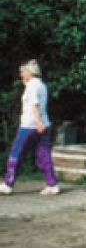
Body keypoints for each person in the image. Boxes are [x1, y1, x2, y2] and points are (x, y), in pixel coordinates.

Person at [0, 60, 60, 195]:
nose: (21, 75)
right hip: (44, 125)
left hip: (29, 126)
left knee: (16, 153)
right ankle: (52, 185)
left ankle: (8, 184)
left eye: (22, 72)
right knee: (43, 155)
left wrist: (37, 122)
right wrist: (41, 123)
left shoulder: (31, 87)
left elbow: (34, 104)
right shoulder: (41, 85)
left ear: (29, 72)